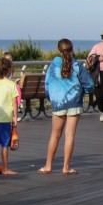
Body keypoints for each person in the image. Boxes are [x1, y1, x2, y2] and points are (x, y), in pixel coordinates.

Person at [40, 39, 93, 174]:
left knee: (55, 135)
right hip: (74, 102)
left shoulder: (53, 66)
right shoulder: (77, 65)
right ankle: (66, 167)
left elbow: (47, 85)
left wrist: (52, 99)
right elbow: (89, 85)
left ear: (59, 50)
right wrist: (84, 91)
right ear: (72, 49)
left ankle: (48, 166)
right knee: (69, 135)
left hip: (58, 103)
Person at [0, 57, 19, 175]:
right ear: (8, 70)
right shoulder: (12, 85)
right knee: (5, 144)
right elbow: (14, 103)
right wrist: (15, 117)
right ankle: (5, 169)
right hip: (6, 118)